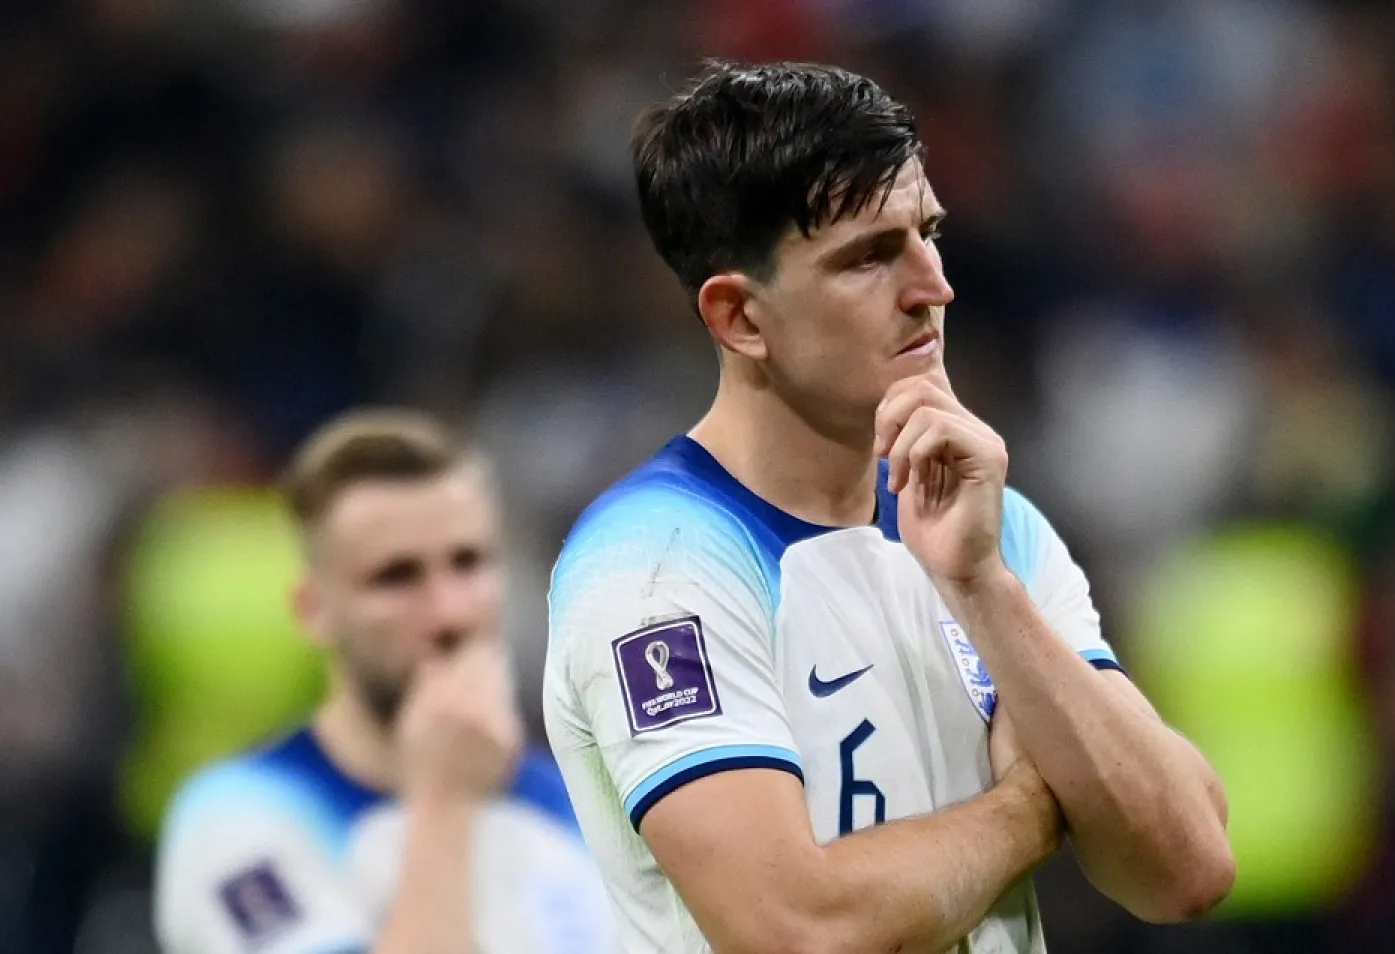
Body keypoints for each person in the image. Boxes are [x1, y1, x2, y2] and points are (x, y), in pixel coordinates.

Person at [543, 60, 1235, 954]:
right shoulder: (658, 566)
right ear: (740, 319)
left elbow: (1188, 867)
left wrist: (983, 587)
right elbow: (793, 929)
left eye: (928, 234)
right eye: (869, 257)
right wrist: (1033, 809)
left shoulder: (993, 528)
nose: (932, 287)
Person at [155, 409, 616, 954]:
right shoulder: (239, 815)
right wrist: (443, 804)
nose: (449, 613)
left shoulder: (580, 800)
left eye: (468, 564)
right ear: (315, 610)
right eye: (396, 578)